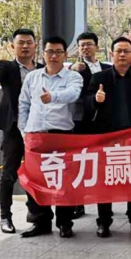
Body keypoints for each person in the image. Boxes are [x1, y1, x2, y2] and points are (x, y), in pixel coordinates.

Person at [86, 37, 131, 237]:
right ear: (111, 54)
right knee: (105, 181)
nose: (122, 55)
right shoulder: (99, 78)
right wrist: (95, 100)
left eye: (126, 51)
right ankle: (103, 221)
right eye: (119, 51)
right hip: (108, 138)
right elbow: (86, 104)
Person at [17, 36, 84, 238]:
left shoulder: (73, 77)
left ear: (65, 55)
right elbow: (23, 105)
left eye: (58, 52)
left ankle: (65, 223)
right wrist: (24, 131)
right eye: (50, 52)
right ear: (43, 53)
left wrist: (53, 96)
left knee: (64, 181)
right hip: (36, 135)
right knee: (36, 181)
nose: (54, 56)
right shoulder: (33, 77)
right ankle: (41, 222)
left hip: (61, 135)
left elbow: (73, 94)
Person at [0, 28, 42, 234]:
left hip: (38, 129)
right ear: (13, 46)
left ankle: (35, 214)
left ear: (35, 45)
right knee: (9, 173)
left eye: (29, 42)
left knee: (36, 173)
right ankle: (5, 217)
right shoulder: (7, 67)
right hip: (13, 129)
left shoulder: (43, 69)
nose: (25, 46)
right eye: (21, 43)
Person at [69, 31, 111, 219]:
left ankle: (105, 206)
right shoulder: (74, 69)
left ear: (97, 47)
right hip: (81, 121)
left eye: (89, 44)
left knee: (103, 164)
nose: (85, 48)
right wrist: (71, 69)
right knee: (79, 163)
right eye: (82, 45)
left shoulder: (106, 68)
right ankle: (78, 203)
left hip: (103, 122)